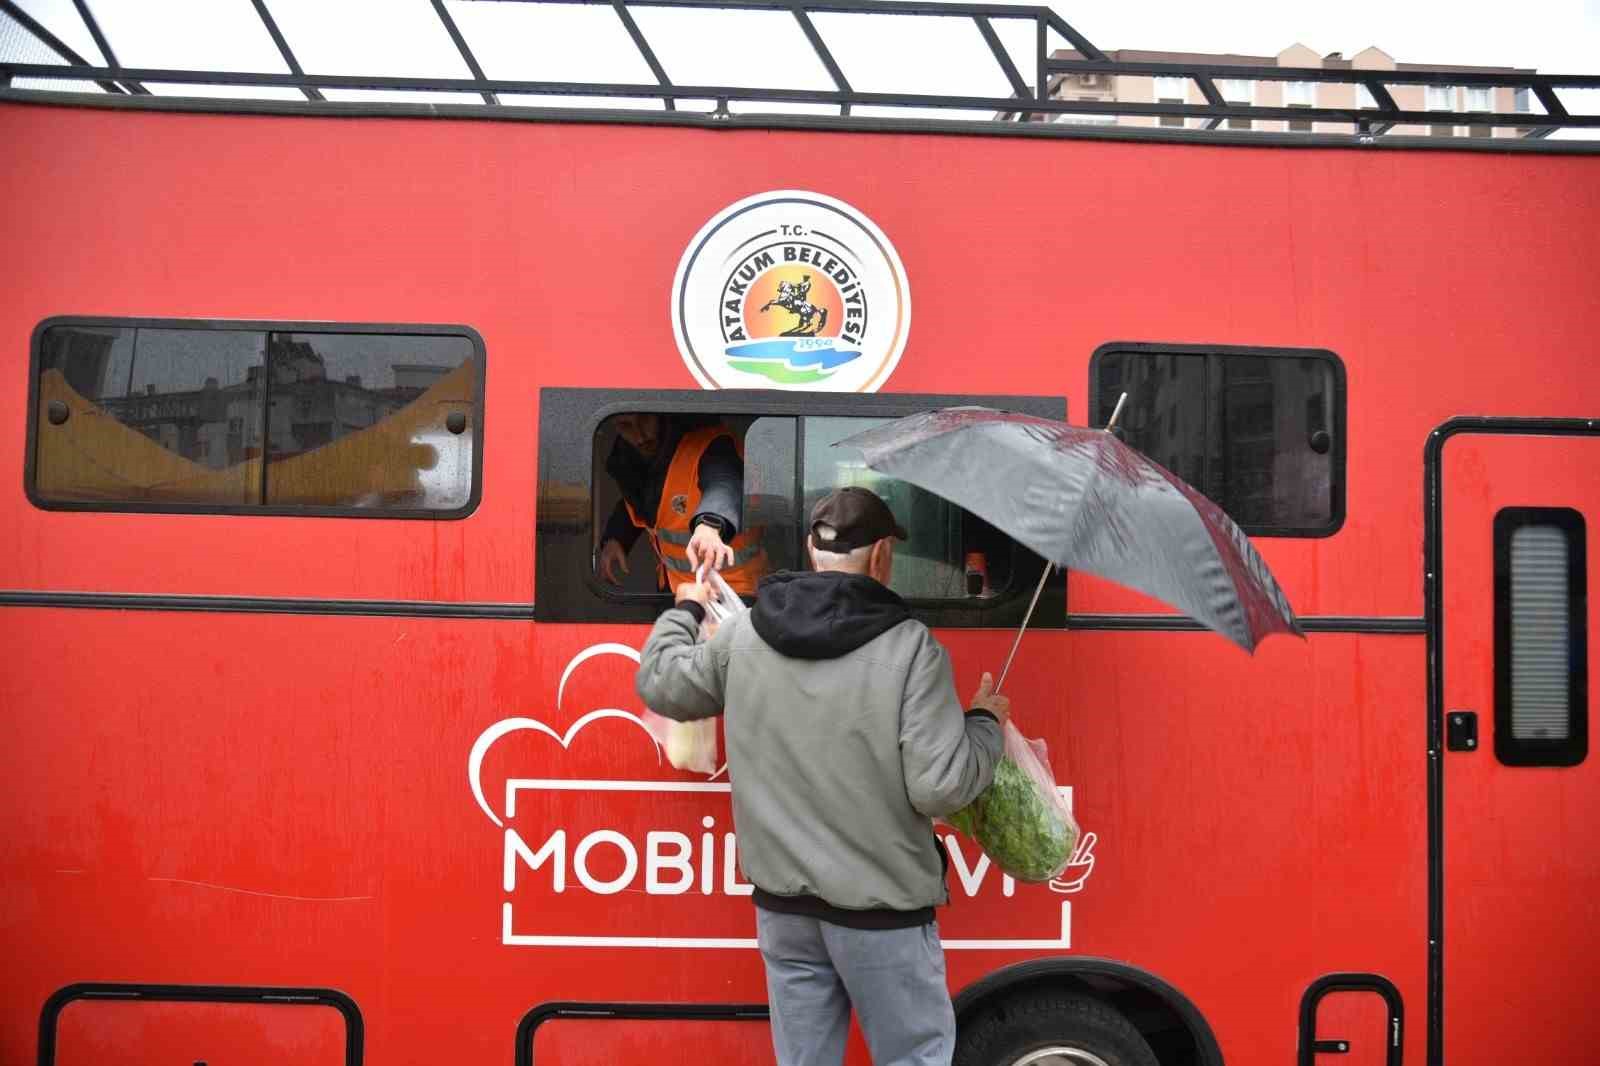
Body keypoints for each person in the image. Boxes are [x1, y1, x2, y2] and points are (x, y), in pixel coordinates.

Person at [636, 485, 1009, 1066]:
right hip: (882, 911)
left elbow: (661, 683)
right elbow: (940, 786)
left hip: (784, 911)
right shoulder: (912, 649)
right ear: (882, 556)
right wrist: (985, 725)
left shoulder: (746, 633)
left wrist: (686, 609)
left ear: (812, 550)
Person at [597, 413, 767, 594]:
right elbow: (648, 504)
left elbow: (724, 484)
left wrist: (710, 524)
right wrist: (616, 538)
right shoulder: (634, 462)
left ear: (661, 415)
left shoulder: (712, 446)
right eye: (625, 426)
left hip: (733, 594)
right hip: (677, 590)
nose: (640, 436)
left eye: (645, 420)